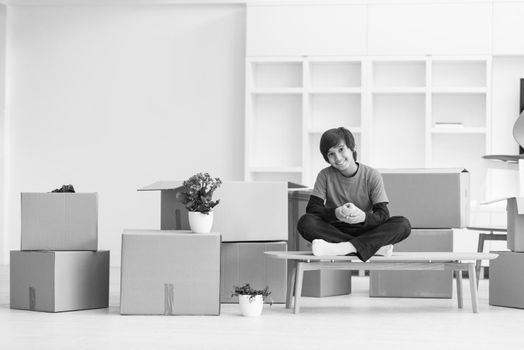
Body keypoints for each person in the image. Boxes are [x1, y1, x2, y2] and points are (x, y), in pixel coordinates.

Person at [297, 127, 411, 262]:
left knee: (403, 224)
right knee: (305, 222)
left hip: (366, 229)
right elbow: (312, 210)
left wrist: (363, 217)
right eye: (331, 154)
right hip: (336, 229)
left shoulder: (372, 175)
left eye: (341, 149)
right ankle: (372, 247)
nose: (338, 158)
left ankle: (342, 247)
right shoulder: (325, 175)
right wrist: (336, 213)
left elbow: (383, 215)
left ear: (353, 148)